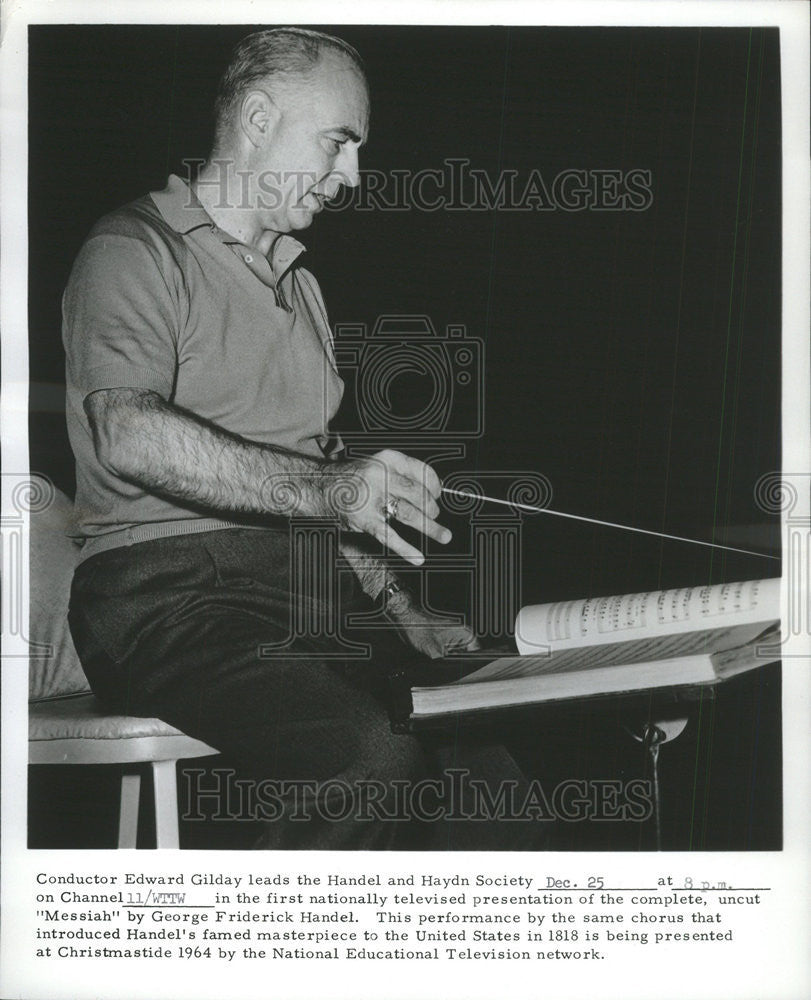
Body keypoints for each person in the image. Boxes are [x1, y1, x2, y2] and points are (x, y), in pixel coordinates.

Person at [64, 27, 541, 849]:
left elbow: (323, 478)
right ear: (256, 119)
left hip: (305, 595)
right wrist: (334, 491)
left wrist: (401, 612)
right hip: (165, 601)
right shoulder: (132, 249)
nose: (350, 176)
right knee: (367, 760)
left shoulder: (302, 283)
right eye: (338, 142)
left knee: (491, 774)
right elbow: (129, 434)